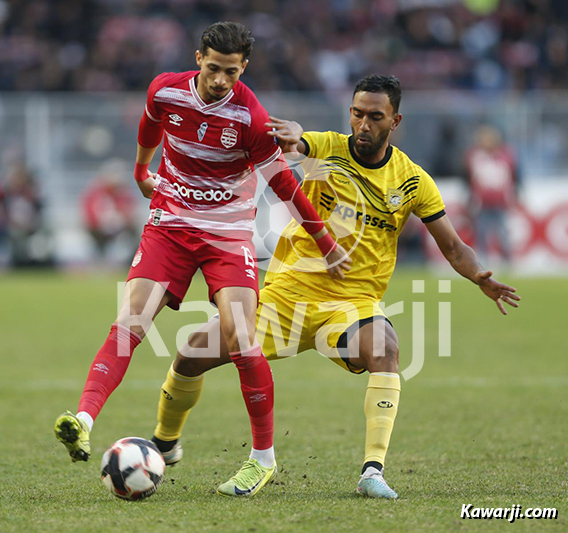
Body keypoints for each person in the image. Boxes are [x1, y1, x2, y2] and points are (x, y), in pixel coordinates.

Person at [149, 75, 521, 499]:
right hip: (285, 296)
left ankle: (372, 472)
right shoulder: (328, 148)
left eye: (375, 117)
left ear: (394, 121)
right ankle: (163, 442)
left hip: (351, 305)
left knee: (386, 349)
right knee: (192, 350)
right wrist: (291, 136)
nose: (363, 125)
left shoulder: (413, 181)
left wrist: (479, 277)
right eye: (357, 114)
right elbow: (300, 142)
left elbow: (453, 246)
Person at [54, 21, 351, 498]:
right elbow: (150, 122)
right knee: (131, 320)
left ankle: (262, 459)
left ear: (243, 68)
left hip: (228, 236)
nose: (220, 80)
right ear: (198, 58)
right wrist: (140, 169)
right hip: (170, 225)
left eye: (231, 72)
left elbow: (283, 184)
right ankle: (84, 417)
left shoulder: (252, 119)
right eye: (213, 69)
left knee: (241, 336)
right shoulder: (166, 91)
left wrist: (326, 244)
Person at [465, 124, 519, 264]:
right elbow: (469, 178)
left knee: (503, 232)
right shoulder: (475, 156)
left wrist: (514, 195)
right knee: (481, 232)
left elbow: (513, 177)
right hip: (482, 202)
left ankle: (507, 260)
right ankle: (482, 260)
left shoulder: (506, 155)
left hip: (500, 201)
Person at [82, 159, 138, 265]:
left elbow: (130, 212)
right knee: (98, 239)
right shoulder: (96, 194)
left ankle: (132, 259)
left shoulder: (124, 195)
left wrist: (121, 220)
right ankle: (100, 261)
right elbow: (90, 214)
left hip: (119, 228)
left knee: (133, 232)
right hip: (99, 230)